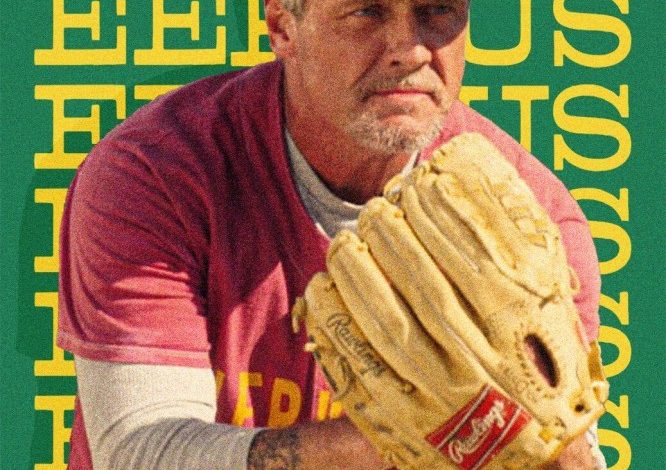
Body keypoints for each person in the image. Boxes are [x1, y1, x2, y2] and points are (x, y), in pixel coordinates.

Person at [58, 0, 606, 468]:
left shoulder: (530, 216)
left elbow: (567, 446)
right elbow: (140, 453)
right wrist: (422, 440)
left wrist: (555, 448)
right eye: (367, 11)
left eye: (437, 10)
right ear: (283, 26)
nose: (410, 50)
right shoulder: (157, 173)